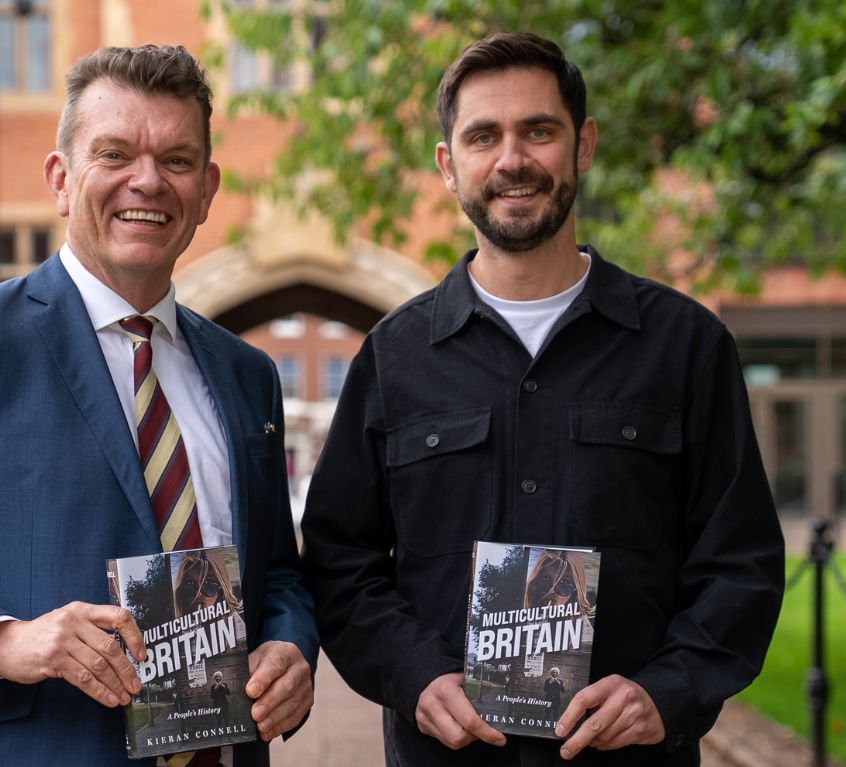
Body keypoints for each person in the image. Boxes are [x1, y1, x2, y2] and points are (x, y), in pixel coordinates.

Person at [0, 44, 317, 766]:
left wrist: (291, 646)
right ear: (61, 178)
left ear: (207, 189)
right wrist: (3, 638)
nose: (147, 180)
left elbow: (279, 575)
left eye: (176, 160)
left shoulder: (246, 374)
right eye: (114, 153)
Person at [300, 32, 784, 766]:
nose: (512, 160)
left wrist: (667, 690)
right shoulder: (393, 358)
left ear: (582, 145)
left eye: (539, 131)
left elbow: (740, 560)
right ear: (448, 164)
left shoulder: (686, 347)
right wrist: (414, 674)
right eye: (483, 136)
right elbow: (340, 561)